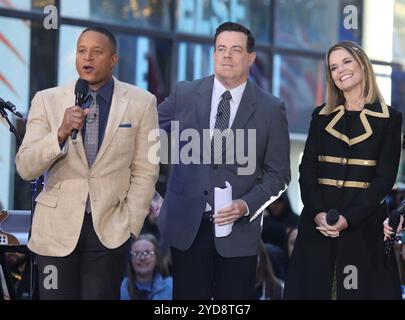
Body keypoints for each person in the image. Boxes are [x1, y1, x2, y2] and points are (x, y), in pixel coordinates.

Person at [15, 26, 159, 299]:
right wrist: (59, 133)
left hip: (110, 232)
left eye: (96, 52)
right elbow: (25, 166)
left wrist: (130, 225)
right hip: (54, 234)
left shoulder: (142, 103)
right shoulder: (48, 100)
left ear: (113, 60)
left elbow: (146, 170)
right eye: (82, 51)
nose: (87, 58)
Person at [157, 22, 290, 299]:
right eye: (221, 48)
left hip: (238, 231)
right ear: (214, 54)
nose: (227, 55)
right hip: (187, 228)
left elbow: (279, 175)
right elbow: (148, 132)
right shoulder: (184, 93)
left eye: (236, 49)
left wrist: (246, 205)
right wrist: (154, 194)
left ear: (250, 58)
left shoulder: (271, 108)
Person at [284, 41, 402, 299]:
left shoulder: (390, 119)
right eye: (333, 67)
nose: (340, 70)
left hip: (364, 227)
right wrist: (317, 214)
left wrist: (347, 218)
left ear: (362, 64)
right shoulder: (321, 116)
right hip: (318, 226)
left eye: (346, 62)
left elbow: (384, 179)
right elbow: (307, 170)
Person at [120, 233, 172, 300]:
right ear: (130, 259)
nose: (142, 258)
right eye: (136, 253)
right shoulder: (120, 288)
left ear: (157, 257)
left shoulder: (171, 287)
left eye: (147, 253)